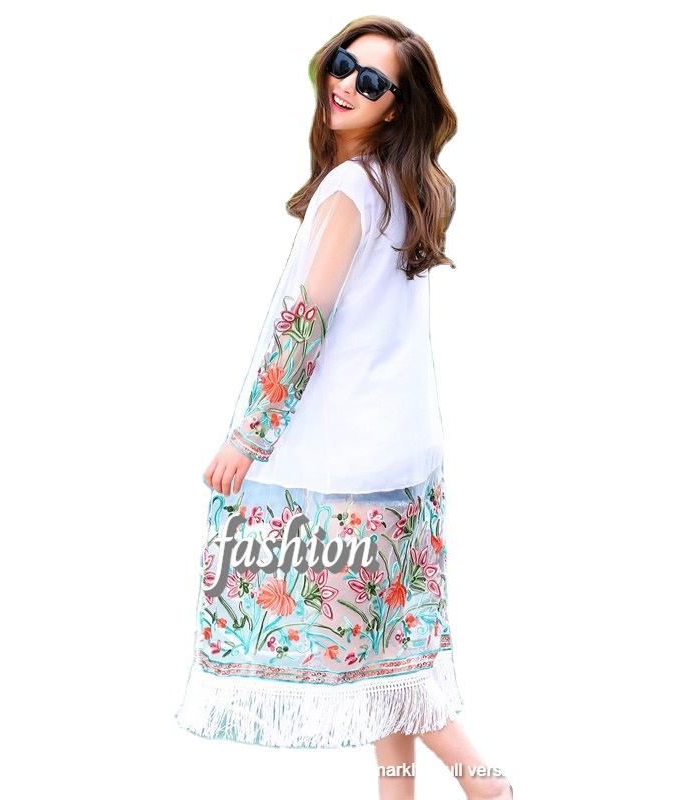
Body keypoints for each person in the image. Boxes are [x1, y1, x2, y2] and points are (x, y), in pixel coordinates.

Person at [175, 16, 513, 800]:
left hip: (348, 469)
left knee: (381, 653)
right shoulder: (405, 188)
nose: (346, 85)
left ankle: (485, 784)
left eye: (371, 81)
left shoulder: (352, 189)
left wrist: (247, 438)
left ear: (395, 106)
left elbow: (303, 326)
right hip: (404, 459)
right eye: (341, 63)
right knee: (391, 646)